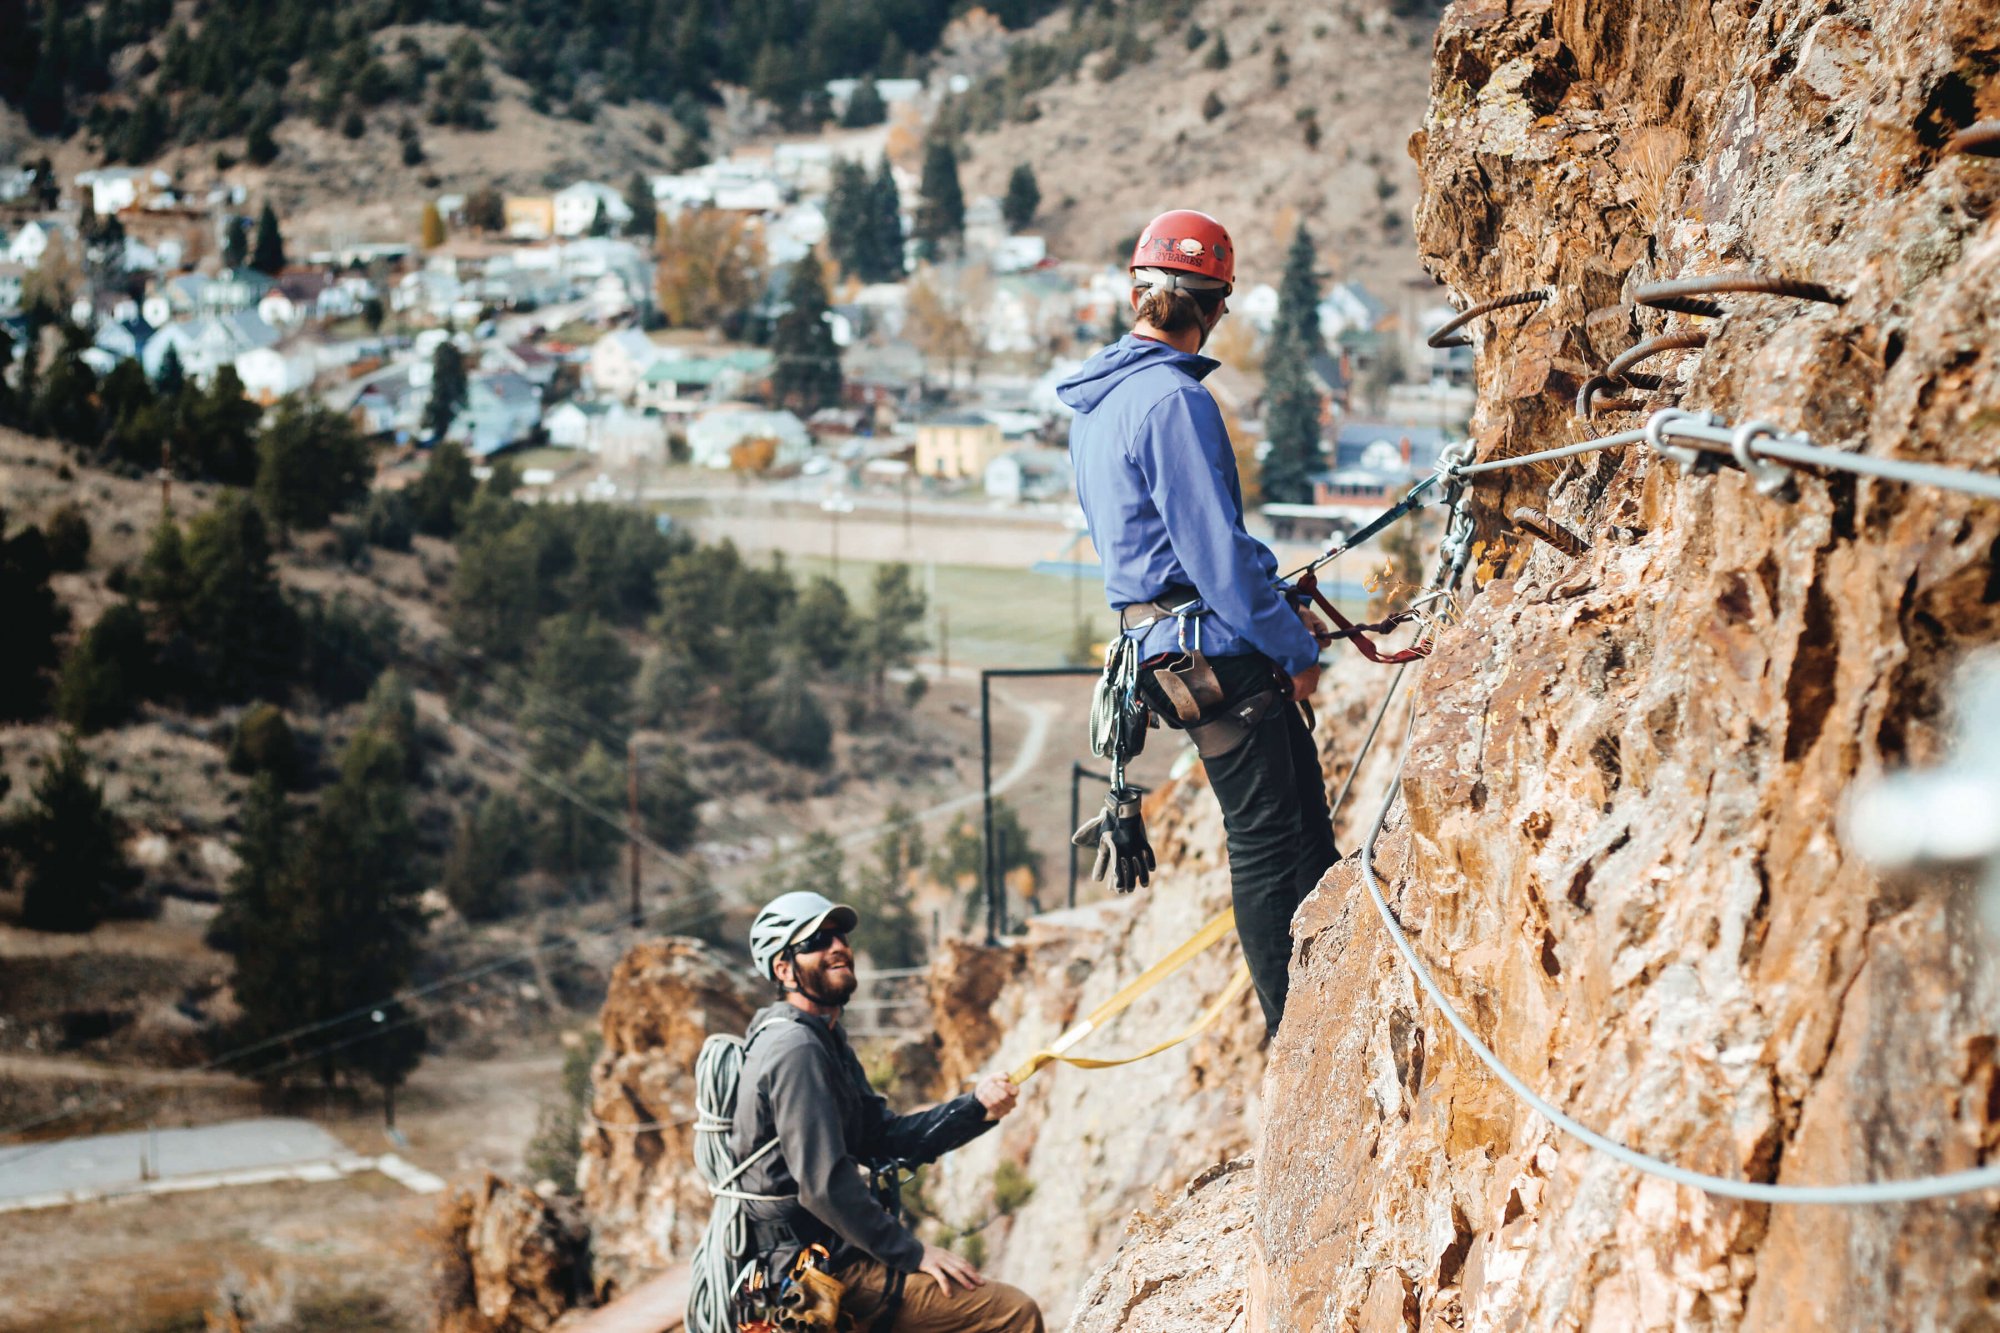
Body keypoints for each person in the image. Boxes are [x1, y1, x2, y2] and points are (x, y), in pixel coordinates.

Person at [1057, 209, 1339, 1035]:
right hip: (1214, 647)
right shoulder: (1174, 400)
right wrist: (1293, 646)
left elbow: (1176, 547)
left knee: (1286, 825)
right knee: (1272, 837)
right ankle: (1302, 1030)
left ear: (1137, 294)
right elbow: (1214, 553)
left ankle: (1323, 1001)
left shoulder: (1098, 406)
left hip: (1163, 647)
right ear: (1215, 304)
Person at [732, 890, 1045, 1332]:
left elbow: (883, 1137)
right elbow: (822, 1186)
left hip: (836, 1250)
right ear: (783, 969)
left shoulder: (822, 1038)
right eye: (815, 941)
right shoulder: (795, 1050)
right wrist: (914, 1253)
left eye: (839, 936)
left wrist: (976, 1108)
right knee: (1011, 1312)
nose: (838, 946)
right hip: (821, 1269)